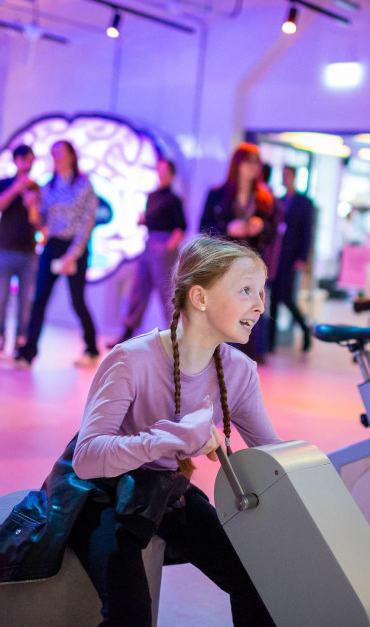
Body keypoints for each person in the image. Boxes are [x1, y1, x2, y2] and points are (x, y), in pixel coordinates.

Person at [69, 236, 280, 625]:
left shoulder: (239, 371)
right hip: (101, 495)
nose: (260, 305)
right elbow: (87, 459)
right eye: (246, 290)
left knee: (258, 579)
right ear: (199, 298)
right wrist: (174, 438)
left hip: (163, 488)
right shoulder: (130, 360)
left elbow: (275, 456)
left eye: (262, 293)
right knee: (131, 615)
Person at [16, 140, 100, 368]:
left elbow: (87, 222)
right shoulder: (48, 187)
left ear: (72, 156)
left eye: (61, 153)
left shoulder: (84, 185)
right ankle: (27, 353)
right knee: (39, 298)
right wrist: (32, 206)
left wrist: (73, 254)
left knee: (77, 300)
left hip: (76, 248)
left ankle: (92, 349)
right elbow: (41, 220)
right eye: (53, 154)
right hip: (52, 245)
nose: (57, 158)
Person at [199, 143, 278, 362]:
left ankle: (246, 357)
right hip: (225, 262)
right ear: (238, 164)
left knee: (251, 309)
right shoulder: (218, 194)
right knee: (224, 307)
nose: (254, 167)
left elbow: (274, 233)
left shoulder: (264, 198)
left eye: (256, 162)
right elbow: (203, 228)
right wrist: (228, 229)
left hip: (252, 262)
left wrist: (260, 226)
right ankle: (218, 354)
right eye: (249, 162)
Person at [109, 158, 186, 347]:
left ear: (172, 175)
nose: (162, 174)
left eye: (165, 171)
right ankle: (128, 331)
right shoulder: (152, 196)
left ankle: (177, 335)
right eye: (160, 170)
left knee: (166, 292)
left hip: (163, 245)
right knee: (138, 289)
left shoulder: (173, 199)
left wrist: (169, 247)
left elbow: (181, 227)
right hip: (148, 243)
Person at [0, 144, 39, 359]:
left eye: (31, 160)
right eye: (25, 159)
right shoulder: (3, 183)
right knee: (1, 298)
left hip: (28, 252)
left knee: (25, 302)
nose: (28, 164)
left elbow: (39, 222)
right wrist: (15, 190)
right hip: (4, 249)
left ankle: (20, 341)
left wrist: (32, 206)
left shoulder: (37, 188)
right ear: (16, 160)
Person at [268, 166, 315, 353]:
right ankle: (270, 343)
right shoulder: (278, 201)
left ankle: (304, 328)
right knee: (274, 298)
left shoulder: (304, 203)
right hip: (276, 256)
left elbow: (306, 232)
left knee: (286, 297)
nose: (286, 178)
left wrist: (302, 257)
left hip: (291, 256)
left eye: (289, 175)